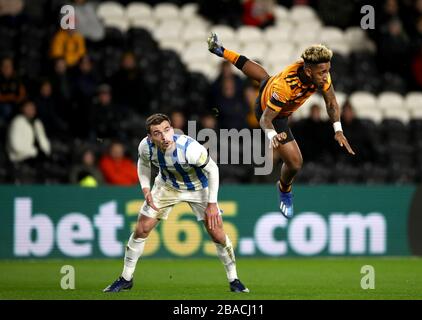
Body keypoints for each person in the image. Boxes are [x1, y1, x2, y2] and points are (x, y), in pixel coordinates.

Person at [207, 32, 355, 218]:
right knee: (295, 163)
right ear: (308, 72)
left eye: (327, 70)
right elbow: (265, 120)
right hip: (269, 112)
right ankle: (285, 190)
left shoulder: (320, 73)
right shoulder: (286, 87)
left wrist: (338, 130)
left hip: (272, 88)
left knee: (263, 77)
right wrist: (272, 136)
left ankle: (221, 50)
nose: (326, 76)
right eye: (322, 72)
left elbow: (331, 102)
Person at [103, 113, 248, 293]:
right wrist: (146, 189)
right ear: (150, 137)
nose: (164, 136)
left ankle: (234, 280)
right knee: (142, 228)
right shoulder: (145, 146)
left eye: (167, 130)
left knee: (217, 234)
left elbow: (213, 170)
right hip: (167, 186)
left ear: (172, 129)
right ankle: (126, 278)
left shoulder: (189, 149)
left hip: (198, 188)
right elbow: (143, 164)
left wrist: (212, 204)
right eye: (157, 133)